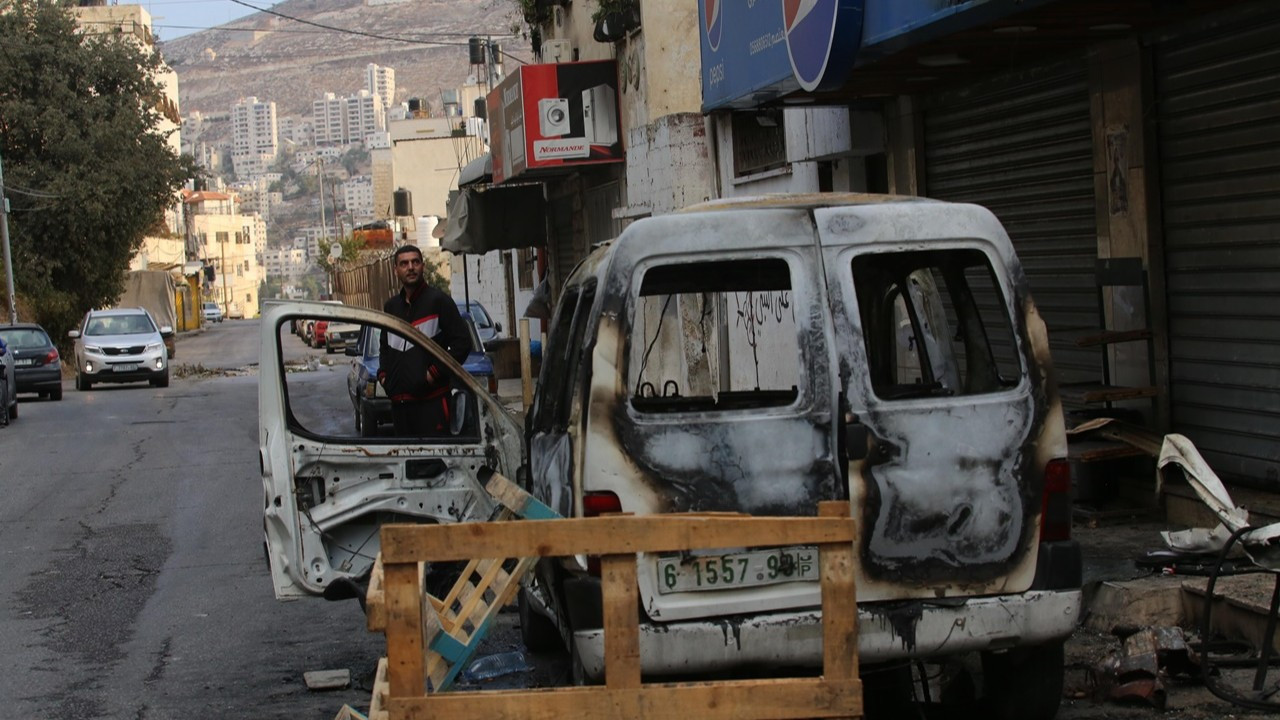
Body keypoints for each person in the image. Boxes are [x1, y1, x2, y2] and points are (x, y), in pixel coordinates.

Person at [378, 244, 471, 437]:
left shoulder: (439, 302)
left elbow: (462, 343)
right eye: (404, 264)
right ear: (396, 270)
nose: (410, 267)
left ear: (423, 266)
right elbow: (385, 347)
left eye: (415, 262)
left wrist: (433, 374)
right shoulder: (391, 307)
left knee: (435, 457)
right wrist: (384, 376)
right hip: (400, 408)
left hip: (432, 405)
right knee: (404, 457)